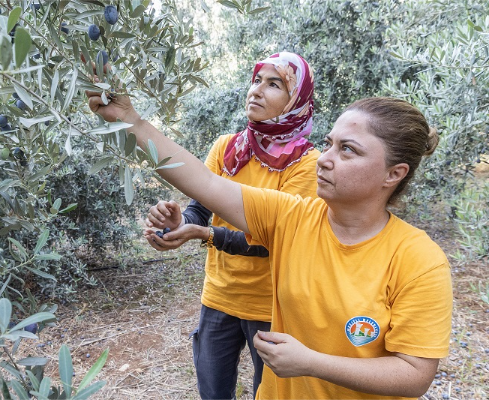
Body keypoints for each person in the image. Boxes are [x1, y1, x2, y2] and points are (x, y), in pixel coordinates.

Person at [87, 79, 452, 398]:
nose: (325, 159)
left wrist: (311, 363)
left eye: (348, 150)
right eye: (328, 144)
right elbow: (205, 182)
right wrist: (131, 121)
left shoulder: (418, 259)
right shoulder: (292, 217)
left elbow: (415, 375)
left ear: (394, 173)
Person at [143, 52, 320, 400]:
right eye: (257, 80)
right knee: (212, 391)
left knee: (268, 394)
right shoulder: (228, 148)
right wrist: (180, 222)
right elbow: (200, 209)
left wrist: (205, 234)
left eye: (274, 84)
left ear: (296, 99)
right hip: (219, 296)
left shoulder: (305, 164)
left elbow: (274, 240)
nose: (257, 90)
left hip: (271, 306)